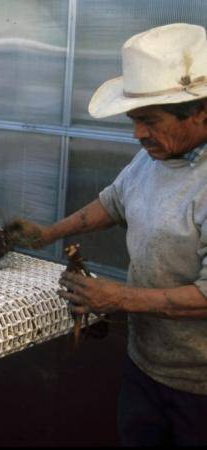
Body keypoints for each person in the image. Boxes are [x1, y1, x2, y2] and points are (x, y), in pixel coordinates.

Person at [18, 23, 207, 446]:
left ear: (200, 111)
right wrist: (48, 233)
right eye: (134, 121)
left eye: (149, 121)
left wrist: (119, 297)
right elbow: (114, 203)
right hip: (147, 364)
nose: (138, 134)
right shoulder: (155, 157)